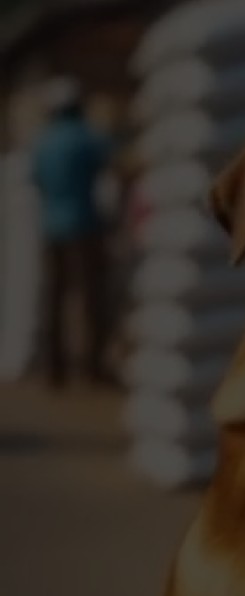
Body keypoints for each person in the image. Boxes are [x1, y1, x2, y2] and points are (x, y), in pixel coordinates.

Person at [30, 76, 113, 389]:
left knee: (53, 298)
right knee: (90, 298)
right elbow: (107, 165)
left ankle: (54, 370)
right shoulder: (87, 138)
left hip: (51, 227)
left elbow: (37, 180)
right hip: (84, 226)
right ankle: (92, 369)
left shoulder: (43, 142)